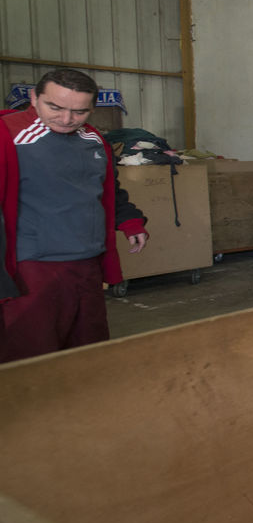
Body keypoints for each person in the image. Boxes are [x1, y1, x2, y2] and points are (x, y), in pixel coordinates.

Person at [1, 68, 149, 360]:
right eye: (55, 107)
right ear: (34, 98)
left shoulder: (94, 139)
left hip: (88, 262)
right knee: (31, 356)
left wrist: (130, 221)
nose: (66, 119)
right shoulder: (9, 136)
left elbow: (107, 190)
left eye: (79, 112)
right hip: (31, 266)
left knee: (87, 350)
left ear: (92, 109)